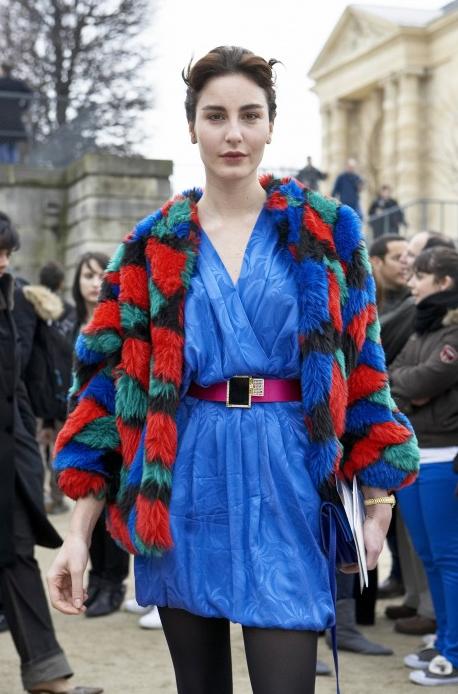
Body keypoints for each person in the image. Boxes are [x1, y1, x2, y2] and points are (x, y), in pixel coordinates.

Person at [48, 46, 419, 694]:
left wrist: (379, 499)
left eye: (250, 115)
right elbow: (105, 392)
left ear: (271, 125)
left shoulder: (326, 231)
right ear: (192, 126)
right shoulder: (150, 245)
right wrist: (77, 534)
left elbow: (365, 371)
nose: (234, 133)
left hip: (289, 474)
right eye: (215, 116)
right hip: (185, 477)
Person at [0, 212, 102, 694]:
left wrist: (25, 448)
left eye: (7, 253)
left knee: (17, 552)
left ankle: (48, 673)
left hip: (10, 455)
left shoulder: (12, 298)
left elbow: (16, 384)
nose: (3, 262)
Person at [390, 247, 458, 687]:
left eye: (420, 275)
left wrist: (410, 387)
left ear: (444, 282)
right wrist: (410, 389)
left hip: (445, 457)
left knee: (449, 558)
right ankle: (445, 639)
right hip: (416, 453)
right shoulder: (422, 327)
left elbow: (428, 378)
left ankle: (454, 653)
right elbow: (393, 375)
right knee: (431, 557)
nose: (411, 283)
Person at [70, 252, 130, 618]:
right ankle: (95, 579)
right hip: (79, 420)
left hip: (114, 420)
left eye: (99, 275)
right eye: (86, 275)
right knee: (87, 499)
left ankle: (113, 582)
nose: (94, 282)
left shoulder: (119, 319)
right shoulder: (68, 322)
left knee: (114, 502)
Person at [14, 261, 75, 515]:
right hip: (61, 391)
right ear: (61, 283)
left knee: (38, 445)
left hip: (34, 392)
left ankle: (37, 496)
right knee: (58, 447)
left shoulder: (28, 305)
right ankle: (56, 497)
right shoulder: (69, 312)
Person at [0, 62, 32, 164]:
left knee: (3, 145)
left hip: (2, 119)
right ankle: (12, 167)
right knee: (12, 144)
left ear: (3, 70)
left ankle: (6, 168)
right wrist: (24, 107)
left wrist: (24, 107)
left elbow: (30, 93)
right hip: (14, 118)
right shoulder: (17, 84)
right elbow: (30, 93)